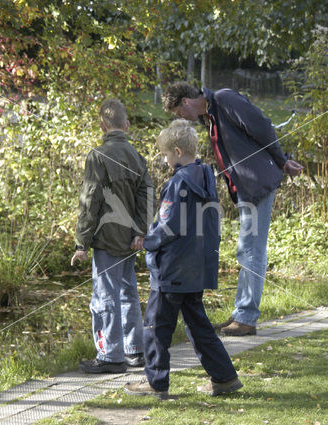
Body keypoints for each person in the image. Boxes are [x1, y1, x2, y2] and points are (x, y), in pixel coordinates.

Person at [161, 82, 304, 336]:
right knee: (247, 248)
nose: (180, 118)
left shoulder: (225, 100)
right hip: (245, 188)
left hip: (257, 183)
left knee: (250, 249)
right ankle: (242, 313)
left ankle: (247, 317)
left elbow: (264, 127)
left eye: (178, 112)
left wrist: (282, 162)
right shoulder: (210, 115)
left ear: (185, 101)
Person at [123, 120, 242, 399]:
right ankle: (224, 378)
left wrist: (146, 241)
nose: (165, 160)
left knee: (155, 326)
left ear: (177, 151)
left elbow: (168, 225)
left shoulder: (178, 184)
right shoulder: (206, 177)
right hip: (196, 268)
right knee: (199, 326)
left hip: (172, 271)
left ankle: (155, 382)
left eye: (165, 155)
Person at [71, 98, 155, 373]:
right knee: (128, 293)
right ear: (127, 125)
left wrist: (81, 242)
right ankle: (134, 350)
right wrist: (141, 232)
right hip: (130, 239)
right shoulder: (137, 157)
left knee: (105, 296)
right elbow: (147, 196)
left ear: (102, 125)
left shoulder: (98, 156)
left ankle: (110, 355)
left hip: (107, 239)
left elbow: (90, 201)